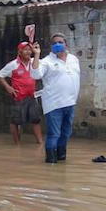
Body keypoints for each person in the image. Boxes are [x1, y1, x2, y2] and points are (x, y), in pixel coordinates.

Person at [29, 33, 80, 164]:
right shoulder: (46, 62)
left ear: (66, 44)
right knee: (54, 134)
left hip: (70, 102)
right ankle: (50, 160)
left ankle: (61, 158)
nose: (57, 44)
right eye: (54, 43)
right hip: (54, 104)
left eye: (60, 42)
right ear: (51, 47)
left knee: (66, 133)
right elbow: (35, 74)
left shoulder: (73, 59)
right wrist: (36, 55)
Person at [0, 42, 44, 145]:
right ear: (19, 51)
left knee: (35, 119)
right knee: (15, 121)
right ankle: (17, 144)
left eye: (29, 50)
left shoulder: (34, 62)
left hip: (32, 96)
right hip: (18, 97)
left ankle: (40, 142)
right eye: (25, 49)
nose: (28, 52)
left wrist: (37, 53)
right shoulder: (13, 64)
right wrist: (8, 87)